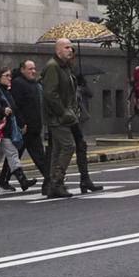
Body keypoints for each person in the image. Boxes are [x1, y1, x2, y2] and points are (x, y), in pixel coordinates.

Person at [0, 67, 38, 194]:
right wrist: (2, 110)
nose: (9, 78)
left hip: (5, 129)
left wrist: (21, 123)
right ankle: (22, 180)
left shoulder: (5, 90)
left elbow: (14, 109)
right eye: (6, 75)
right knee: (11, 153)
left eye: (10, 76)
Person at [40, 38, 80, 198]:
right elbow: (50, 93)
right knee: (68, 146)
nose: (70, 50)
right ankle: (57, 181)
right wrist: (63, 112)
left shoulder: (65, 67)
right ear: (58, 51)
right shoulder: (53, 67)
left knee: (57, 150)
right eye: (66, 47)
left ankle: (53, 184)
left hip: (63, 115)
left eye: (71, 48)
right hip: (58, 117)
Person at [10, 59, 49, 184]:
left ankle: (3, 180)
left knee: (15, 155)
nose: (33, 71)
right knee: (37, 155)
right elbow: (16, 106)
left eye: (34, 69)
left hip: (34, 126)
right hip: (25, 127)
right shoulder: (18, 83)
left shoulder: (33, 84)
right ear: (22, 70)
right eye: (30, 69)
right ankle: (50, 178)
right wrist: (21, 123)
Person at [69, 70, 104, 192]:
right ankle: (55, 181)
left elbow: (90, 94)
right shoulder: (68, 82)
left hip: (76, 119)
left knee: (81, 146)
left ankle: (85, 179)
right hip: (68, 119)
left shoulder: (78, 86)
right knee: (66, 149)